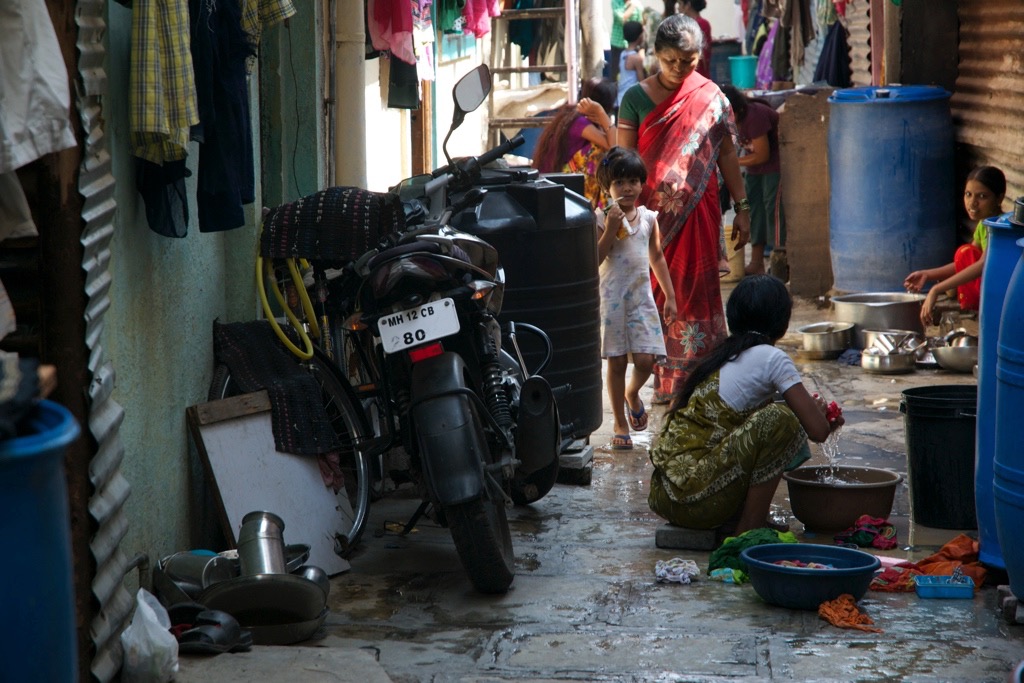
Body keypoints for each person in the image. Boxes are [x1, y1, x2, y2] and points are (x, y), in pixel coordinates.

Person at [615, 13, 752, 404]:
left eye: (687, 61)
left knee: (697, 291)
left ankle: (700, 378)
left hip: (699, 211)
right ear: (655, 54)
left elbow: (727, 153)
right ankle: (664, 378)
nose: (678, 69)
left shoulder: (711, 96)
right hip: (652, 218)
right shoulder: (636, 98)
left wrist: (743, 208)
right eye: (670, 60)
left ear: (699, 57)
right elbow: (625, 158)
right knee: (656, 294)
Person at [648, 274, 845, 535]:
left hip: (667, 496)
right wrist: (822, 418)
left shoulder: (725, 354)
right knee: (781, 421)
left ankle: (746, 517)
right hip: (692, 500)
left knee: (778, 417)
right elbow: (818, 431)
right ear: (782, 323)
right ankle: (750, 528)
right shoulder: (772, 358)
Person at [595, 147, 678, 450]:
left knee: (646, 359)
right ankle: (619, 422)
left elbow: (656, 256)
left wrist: (669, 294)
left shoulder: (648, 219)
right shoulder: (602, 218)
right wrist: (611, 228)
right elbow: (595, 258)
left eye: (632, 181)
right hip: (613, 301)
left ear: (642, 184)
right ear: (607, 187)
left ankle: (632, 394)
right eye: (619, 182)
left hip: (641, 299)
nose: (627, 188)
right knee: (616, 362)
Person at [904, 166, 1007, 327]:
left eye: (982, 196)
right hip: (993, 289)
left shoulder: (1000, 226)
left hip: (1002, 294)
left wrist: (936, 289)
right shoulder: (984, 225)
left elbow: (982, 265)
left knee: (964, 252)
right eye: (968, 194)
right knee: (964, 253)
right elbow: (964, 263)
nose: (972, 203)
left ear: (999, 199)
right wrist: (927, 275)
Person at [721, 84, 784, 276]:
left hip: (774, 167)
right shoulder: (729, 120)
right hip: (754, 169)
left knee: (772, 210)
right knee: (754, 211)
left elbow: (762, 155)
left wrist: (731, 163)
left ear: (738, 110)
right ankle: (757, 262)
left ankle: (780, 262)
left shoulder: (754, 117)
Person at [531, 78, 618, 209]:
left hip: (558, 182)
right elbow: (615, 146)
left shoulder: (579, 118)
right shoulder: (580, 122)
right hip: (556, 186)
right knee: (601, 155)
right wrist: (601, 113)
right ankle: (598, 210)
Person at [674, 0, 712, 78]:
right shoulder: (685, 23)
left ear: (688, 5)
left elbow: (704, 54)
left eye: (680, 4)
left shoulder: (701, 24)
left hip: (698, 73)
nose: (678, 7)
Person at [610, 0, 645, 82]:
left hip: (633, 44)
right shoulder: (616, 2)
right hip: (618, 44)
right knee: (615, 74)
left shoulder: (638, 4)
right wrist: (633, 6)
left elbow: (640, 23)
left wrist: (641, 46)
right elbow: (622, 18)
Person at [616, 21, 647, 112]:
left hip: (620, 98)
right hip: (631, 100)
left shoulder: (623, 54)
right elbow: (642, 81)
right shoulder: (636, 58)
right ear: (639, 36)